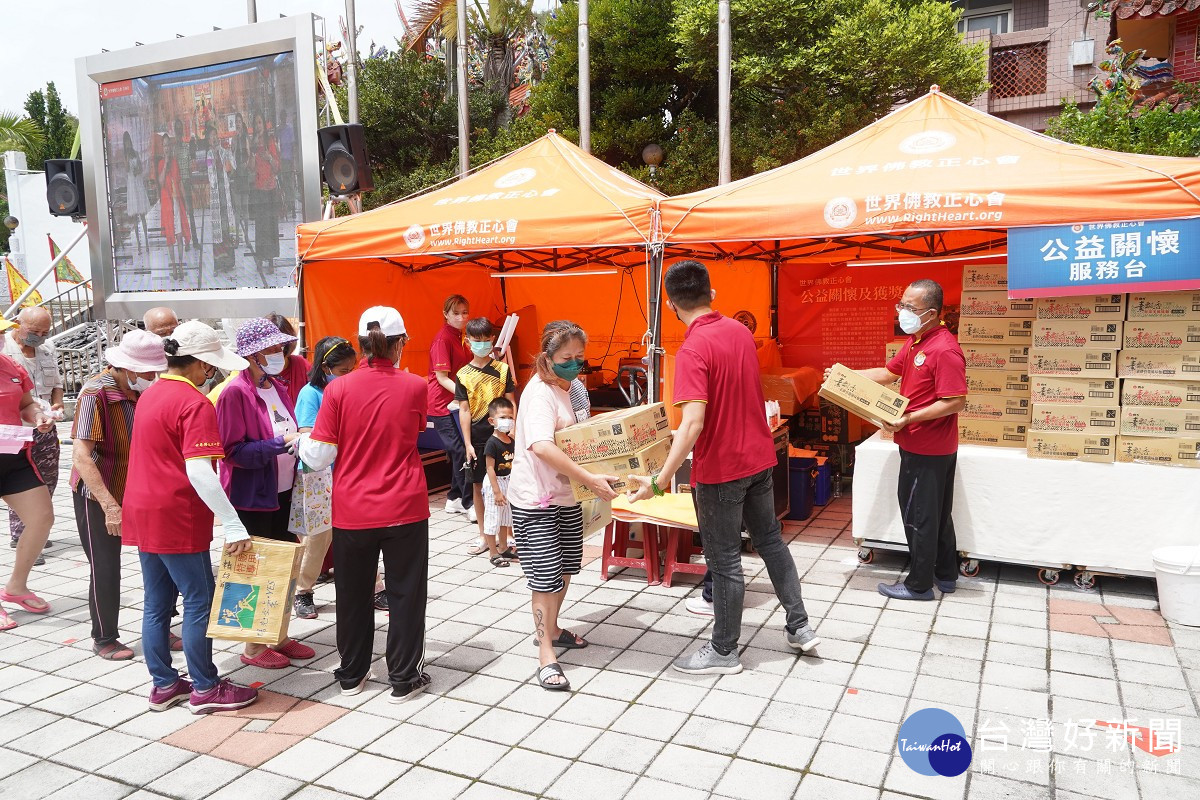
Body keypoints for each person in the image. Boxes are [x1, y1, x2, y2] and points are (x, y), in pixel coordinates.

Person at [628, 260, 819, 675]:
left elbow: (693, 422)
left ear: (670, 303)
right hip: (759, 459)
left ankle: (724, 650)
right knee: (771, 543)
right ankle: (799, 627)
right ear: (711, 293)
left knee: (725, 560)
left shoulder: (693, 349)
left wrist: (659, 482)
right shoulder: (739, 331)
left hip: (721, 470)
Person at [122, 321, 258, 713]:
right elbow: (200, 471)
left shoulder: (150, 394)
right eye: (209, 365)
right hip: (177, 513)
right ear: (198, 363)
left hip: (144, 509)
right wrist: (232, 522)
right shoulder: (194, 403)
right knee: (200, 598)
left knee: (157, 602)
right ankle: (205, 686)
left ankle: (164, 684)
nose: (210, 372)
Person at [299, 306, 433, 703]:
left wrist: (300, 440)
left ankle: (352, 674)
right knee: (406, 593)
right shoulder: (415, 386)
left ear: (360, 344)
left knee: (352, 593)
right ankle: (404, 677)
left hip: (352, 507)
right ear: (401, 343)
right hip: (404, 503)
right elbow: (415, 431)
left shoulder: (338, 388)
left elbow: (320, 455)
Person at [834, 279, 967, 601]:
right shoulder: (917, 341)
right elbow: (888, 372)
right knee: (936, 514)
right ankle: (945, 574)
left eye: (910, 308)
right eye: (901, 305)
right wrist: (844, 375)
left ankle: (919, 585)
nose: (902, 312)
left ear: (932, 313)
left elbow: (955, 400)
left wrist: (909, 418)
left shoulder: (944, 348)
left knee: (919, 516)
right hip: (918, 444)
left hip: (928, 447)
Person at [507, 321, 619, 691]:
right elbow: (542, 445)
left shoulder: (575, 388)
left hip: (568, 495)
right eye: (566, 358)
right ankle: (545, 655)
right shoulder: (539, 393)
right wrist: (590, 480)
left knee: (567, 566)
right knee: (545, 576)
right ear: (547, 357)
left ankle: (553, 628)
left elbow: (581, 434)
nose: (574, 364)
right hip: (536, 499)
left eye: (579, 358)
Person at [215, 318, 316, 669]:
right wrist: (279, 444)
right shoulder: (234, 393)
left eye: (282, 348)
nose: (281, 354)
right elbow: (232, 452)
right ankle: (252, 647)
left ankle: (277, 634)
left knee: (284, 567)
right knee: (253, 571)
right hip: (252, 497)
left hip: (284, 491)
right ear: (254, 354)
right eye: (273, 350)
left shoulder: (277, 385)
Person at [70, 330, 167, 659]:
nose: (154, 376)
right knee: (105, 565)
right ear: (128, 368)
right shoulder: (95, 393)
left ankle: (162, 626)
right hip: (99, 493)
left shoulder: (143, 392)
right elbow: (82, 457)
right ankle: (104, 637)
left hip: (138, 487)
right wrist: (110, 505)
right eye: (149, 371)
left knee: (159, 558)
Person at [291, 336, 356, 620]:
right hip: (317, 473)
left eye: (351, 371)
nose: (348, 377)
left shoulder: (346, 390)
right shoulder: (310, 393)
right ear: (326, 367)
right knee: (317, 537)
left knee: (355, 533)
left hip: (347, 468)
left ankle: (372, 586)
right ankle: (302, 591)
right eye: (343, 372)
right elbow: (306, 433)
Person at [0, 318, 57, 632]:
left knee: (42, 517)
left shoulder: (9, 364)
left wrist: (39, 417)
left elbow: (24, 404)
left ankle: (16, 586)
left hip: (12, 454)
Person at [5, 307, 64, 564]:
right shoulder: (5, 350)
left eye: (44, 332)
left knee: (46, 480)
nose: (39, 336)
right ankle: (22, 534)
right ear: (19, 324)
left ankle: (36, 529)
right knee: (17, 484)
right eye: (34, 331)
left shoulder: (46, 350)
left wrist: (56, 406)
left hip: (43, 424)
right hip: (12, 432)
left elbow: (57, 384)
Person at [455, 317, 517, 566]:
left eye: (486, 340)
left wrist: (513, 431)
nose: (482, 344)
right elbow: (464, 410)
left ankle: (509, 537)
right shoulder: (463, 374)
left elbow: (511, 401)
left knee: (508, 484)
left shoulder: (502, 370)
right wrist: (468, 443)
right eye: (476, 340)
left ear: (492, 340)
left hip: (503, 436)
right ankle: (484, 535)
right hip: (478, 439)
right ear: (467, 341)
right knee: (478, 487)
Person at [428, 295, 474, 524]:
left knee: (461, 449)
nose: (461, 317)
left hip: (457, 402)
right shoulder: (443, 339)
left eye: (465, 312)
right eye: (456, 312)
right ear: (445, 313)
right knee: (459, 450)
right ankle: (469, 502)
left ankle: (454, 497)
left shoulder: (461, 337)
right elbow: (441, 377)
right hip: (441, 404)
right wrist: (463, 393)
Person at [483, 398, 517, 564]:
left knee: (505, 518)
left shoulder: (511, 441)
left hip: (508, 482)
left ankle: (503, 547)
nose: (508, 421)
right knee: (492, 517)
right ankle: (493, 552)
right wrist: (496, 491)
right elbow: (490, 468)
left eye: (510, 418)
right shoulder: (492, 443)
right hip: (494, 483)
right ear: (492, 420)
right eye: (503, 417)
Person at [123, 131, 151, 254]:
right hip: (131, 185)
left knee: (143, 215)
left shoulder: (136, 153)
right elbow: (126, 169)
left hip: (138, 183)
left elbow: (140, 167)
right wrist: (127, 158)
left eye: (128, 140)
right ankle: (139, 244)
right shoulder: (125, 155)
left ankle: (146, 241)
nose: (127, 143)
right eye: (126, 142)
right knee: (135, 216)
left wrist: (138, 171)